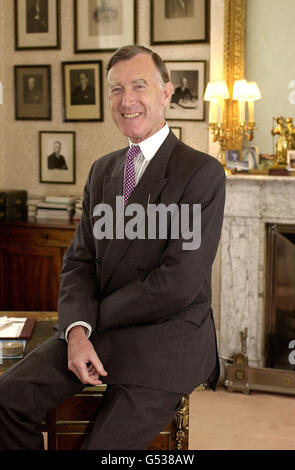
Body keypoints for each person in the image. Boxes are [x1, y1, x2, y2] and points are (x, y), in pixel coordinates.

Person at [0, 45, 225, 450]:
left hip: (163, 340)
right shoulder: (103, 170)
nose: (127, 100)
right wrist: (75, 330)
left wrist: (90, 321)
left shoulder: (202, 173)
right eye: (116, 89)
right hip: (94, 331)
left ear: (166, 93)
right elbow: (79, 261)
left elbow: (176, 284)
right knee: (6, 398)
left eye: (139, 85)